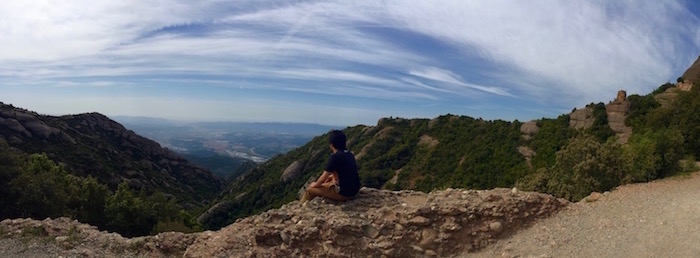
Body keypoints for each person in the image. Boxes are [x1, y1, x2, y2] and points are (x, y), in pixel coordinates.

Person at [301, 130, 361, 202]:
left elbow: (323, 177)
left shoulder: (335, 157)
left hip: (344, 194)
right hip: (354, 191)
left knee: (310, 190)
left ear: (331, 145)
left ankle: (301, 206)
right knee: (329, 179)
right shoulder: (349, 154)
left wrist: (315, 185)